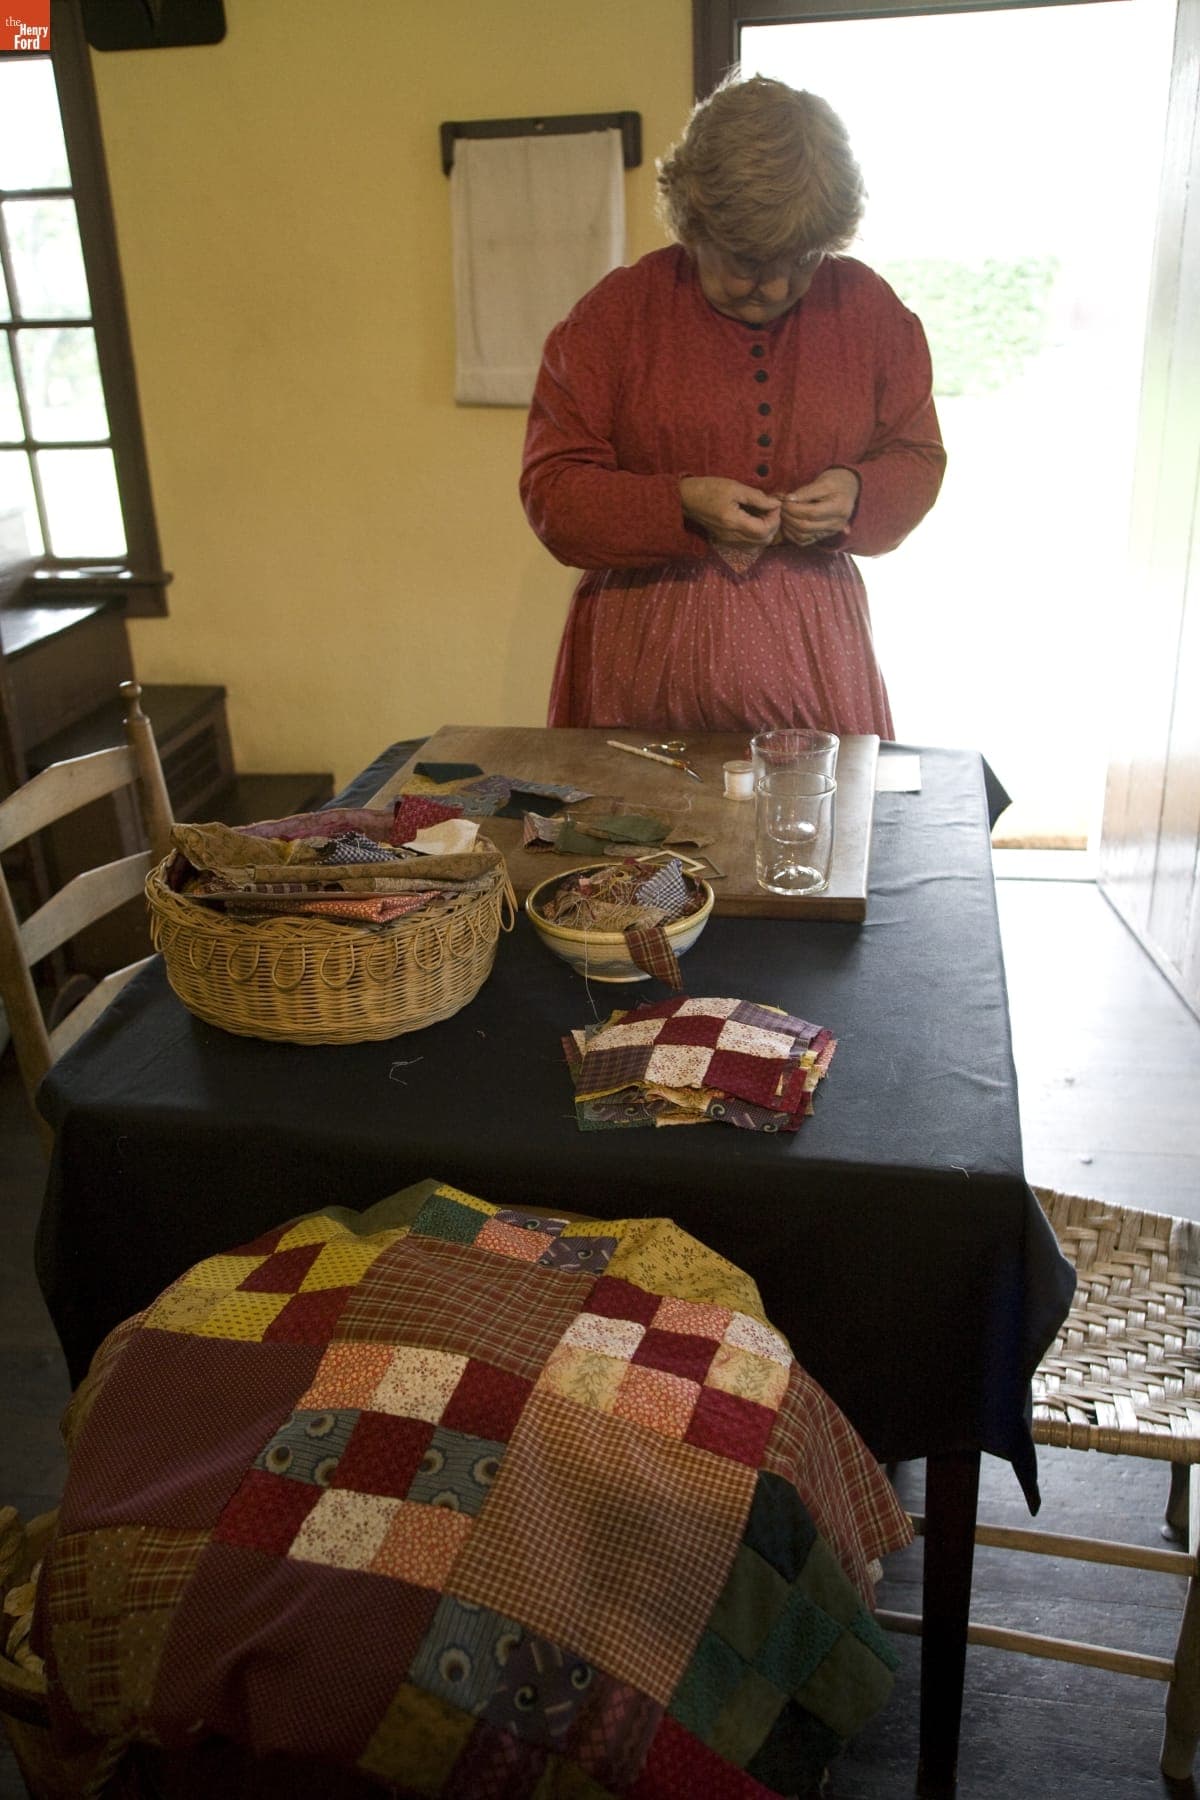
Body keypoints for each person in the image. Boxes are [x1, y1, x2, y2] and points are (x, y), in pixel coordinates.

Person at [519, 74, 946, 738]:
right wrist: (680, 503)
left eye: (802, 260)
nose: (774, 285)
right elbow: (554, 494)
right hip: (640, 662)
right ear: (694, 221)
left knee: (815, 830)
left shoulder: (869, 313)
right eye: (747, 261)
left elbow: (917, 455)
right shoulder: (616, 318)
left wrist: (857, 492)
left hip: (816, 657)